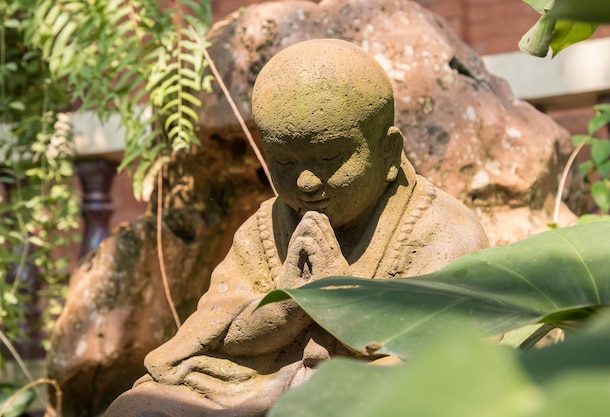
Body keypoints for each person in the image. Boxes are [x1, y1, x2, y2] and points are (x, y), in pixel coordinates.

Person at [104, 38, 488, 417]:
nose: (304, 182)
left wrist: (340, 296)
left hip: (366, 386)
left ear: (387, 152)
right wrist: (288, 302)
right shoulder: (266, 227)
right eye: (283, 162)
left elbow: (455, 352)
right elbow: (219, 335)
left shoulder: (441, 228)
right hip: (267, 385)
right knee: (140, 408)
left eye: (329, 159)